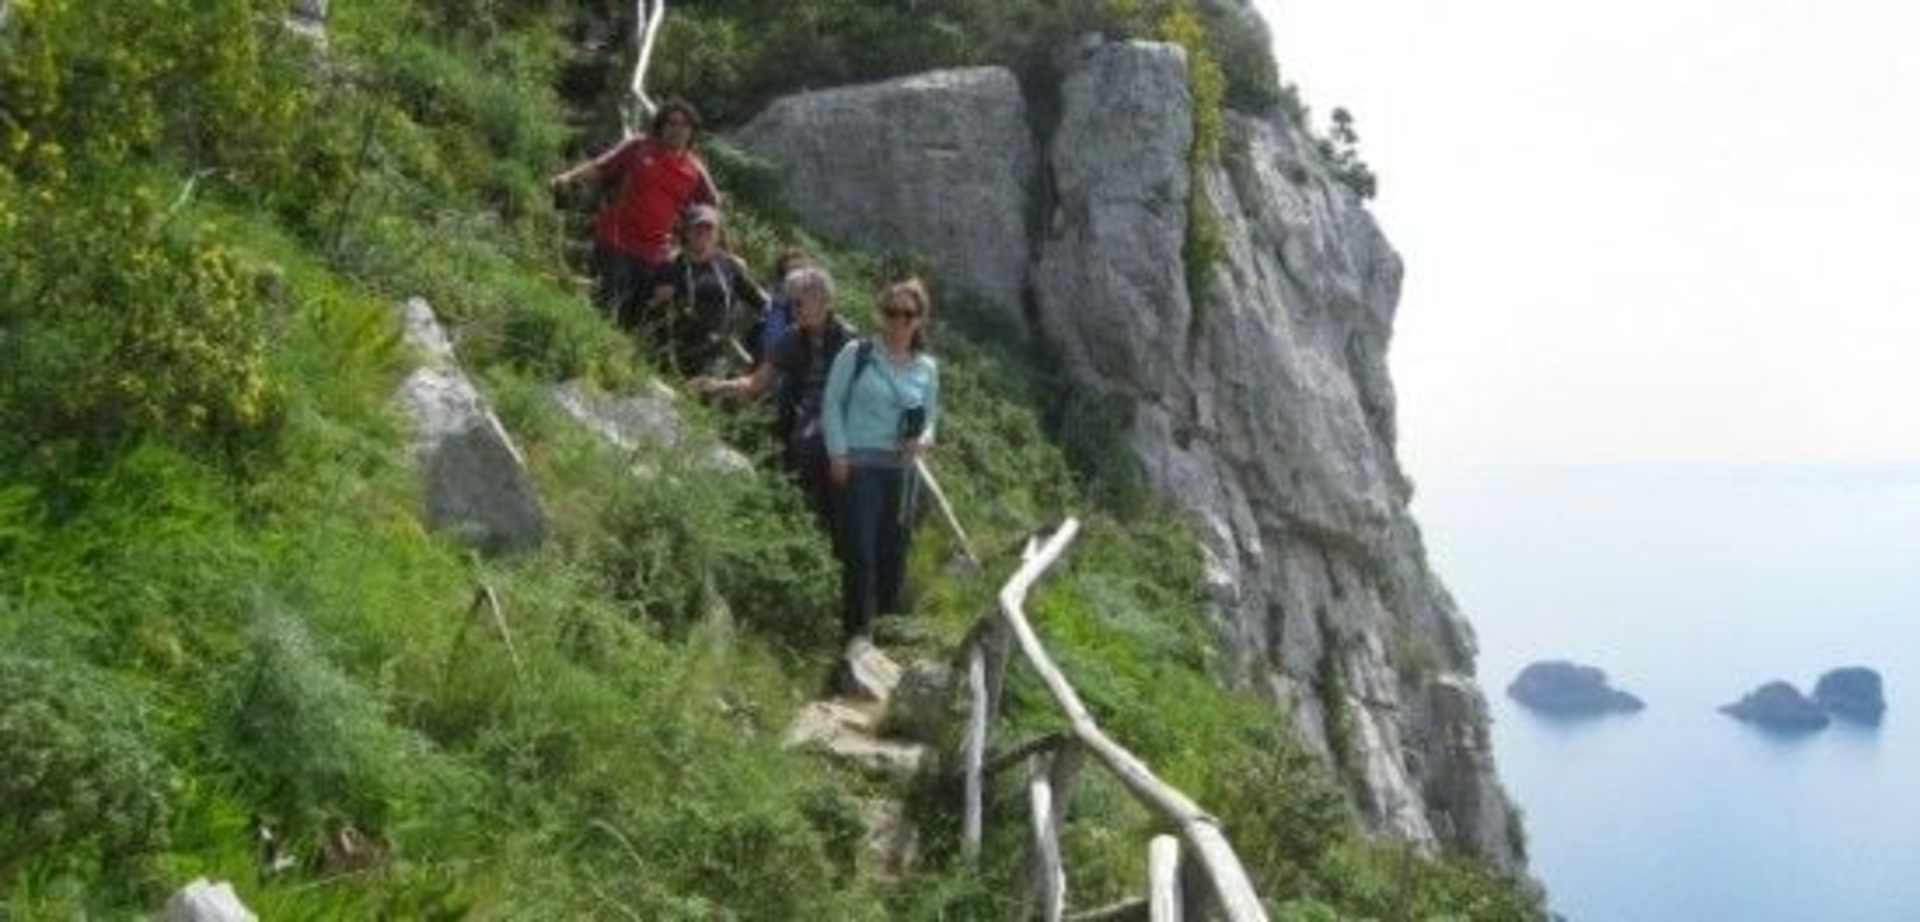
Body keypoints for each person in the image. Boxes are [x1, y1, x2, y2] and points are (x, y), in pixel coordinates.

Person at [821, 278, 939, 642]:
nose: (898, 321)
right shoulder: (857, 353)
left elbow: (931, 417)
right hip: (859, 466)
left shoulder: (927, 368)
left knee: (893, 556)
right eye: (892, 312)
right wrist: (838, 452)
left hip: (901, 472)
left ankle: (883, 637)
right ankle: (855, 638)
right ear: (881, 314)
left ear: (919, 320)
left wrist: (922, 440)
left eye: (907, 314)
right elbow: (832, 404)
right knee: (860, 554)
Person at [694, 265, 855, 528]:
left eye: (802, 299)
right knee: (804, 445)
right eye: (793, 300)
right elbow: (756, 384)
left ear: (824, 301)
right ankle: (801, 522)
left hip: (844, 419)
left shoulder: (848, 340)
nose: (795, 305)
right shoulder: (792, 339)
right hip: (806, 419)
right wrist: (717, 386)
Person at [548, 98, 719, 328]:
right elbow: (601, 167)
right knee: (607, 311)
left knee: (632, 321)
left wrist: (714, 250)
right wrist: (568, 178)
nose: (677, 130)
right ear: (661, 125)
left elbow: (712, 204)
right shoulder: (639, 147)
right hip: (617, 241)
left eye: (684, 125)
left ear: (692, 131)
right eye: (671, 123)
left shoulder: (694, 168)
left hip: (656, 253)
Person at [643, 203, 767, 377]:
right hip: (677, 347)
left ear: (717, 235)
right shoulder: (671, 264)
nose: (703, 234)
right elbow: (653, 305)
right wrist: (660, 298)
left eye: (709, 229)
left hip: (716, 349)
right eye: (697, 228)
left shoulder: (729, 265)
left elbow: (759, 300)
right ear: (687, 232)